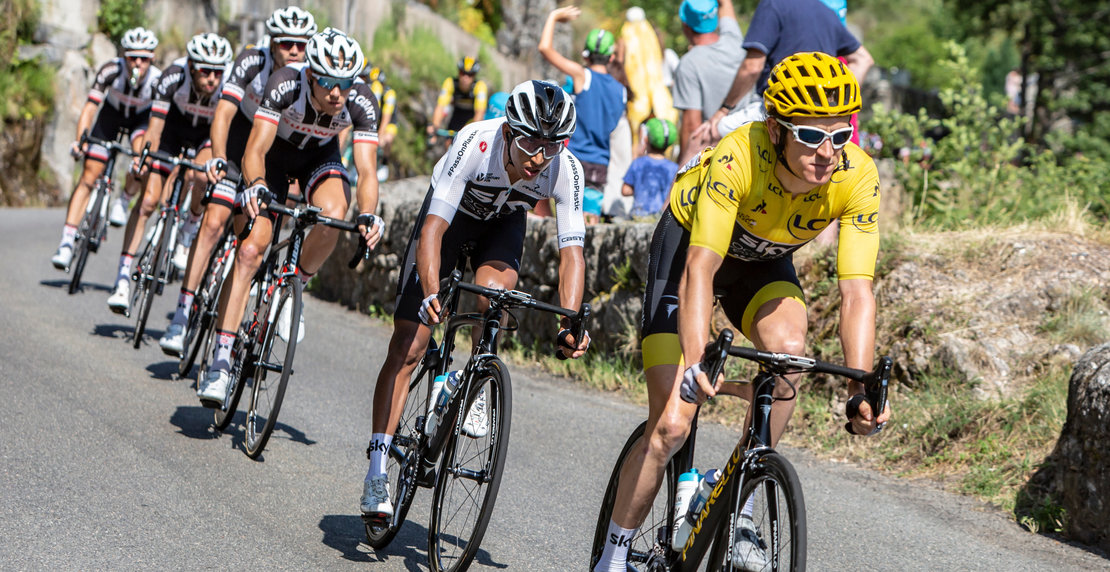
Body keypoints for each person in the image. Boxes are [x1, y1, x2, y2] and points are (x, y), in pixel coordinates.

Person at [593, 52, 891, 572]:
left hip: (762, 261)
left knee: (790, 357)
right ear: (775, 130)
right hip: (690, 250)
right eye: (811, 136)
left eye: (840, 136)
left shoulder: (856, 176)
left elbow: (857, 293)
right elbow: (700, 272)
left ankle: (740, 499)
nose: (828, 153)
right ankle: (613, 558)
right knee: (670, 425)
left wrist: (859, 386)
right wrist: (694, 359)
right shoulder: (739, 156)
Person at [359, 80, 591, 520]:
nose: (540, 158)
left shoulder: (567, 171)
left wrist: (570, 322)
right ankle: (376, 470)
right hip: (451, 221)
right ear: (508, 133)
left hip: (502, 226)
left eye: (552, 146)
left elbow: (572, 254)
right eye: (529, 144)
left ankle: (471, 379)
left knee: (496, 301)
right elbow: (432, 231)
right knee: (410, 345)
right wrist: (431, 293)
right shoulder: (475, 142)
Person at [195, 28, 384, 406]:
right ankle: (220, 360)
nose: (337, 93)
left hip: (319, 157)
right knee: (251, 250)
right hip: (274, 159)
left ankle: (291, 288)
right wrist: (257, 185)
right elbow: (255, 148)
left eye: (344, 84)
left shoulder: (361, 99)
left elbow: (365, 170)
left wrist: (369, 214)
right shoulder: (284, 83)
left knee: (334, 214)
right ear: (310, 75)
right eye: (328, 82)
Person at [158, 7, 318, 355]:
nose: (294, 51)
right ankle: (181, 315)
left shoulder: (311, 78)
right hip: (239, 138)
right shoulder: (250, 60)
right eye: (287, 43)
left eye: (302, 45)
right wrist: (217, 155)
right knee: (214, 222)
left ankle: (236, 312)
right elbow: (224, 113)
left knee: (250, 240)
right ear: (273, 43)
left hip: (273, 149)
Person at [107, 33, 233, 314]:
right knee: (148, 203)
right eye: (205, 71)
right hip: (172, 132)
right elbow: (154, 126)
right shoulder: (172, 76)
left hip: (205, 135)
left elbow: (224, 129)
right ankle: (122, 279)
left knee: (200, 175)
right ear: (191, 67)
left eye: (217, 72)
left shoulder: (227, 85)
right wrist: (145, 157)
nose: (212, 78)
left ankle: (190, 224)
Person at [51, 27, 162, 270]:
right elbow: (90, 107)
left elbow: (156, 123)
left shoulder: (157, 80)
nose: (138, 63)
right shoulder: (111, 70)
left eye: (144, 58)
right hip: (110, 117)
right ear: (124, 56)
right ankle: (67, 241)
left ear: (152, 58)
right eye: (133, 57)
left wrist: (143, 155)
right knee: (89, 175)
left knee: (141, 162)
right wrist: (82, 140)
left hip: (139, 121)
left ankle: (124, 198)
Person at [699, 0, 874, 142]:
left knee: (708, 134)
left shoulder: (773, 5)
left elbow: (752, 67)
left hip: (779, 109)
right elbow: (863, 60)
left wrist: (723, 110)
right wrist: (831, 102)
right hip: (821, 120)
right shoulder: (826, 12)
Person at [538, 6, 627, 224]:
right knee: (590, 221)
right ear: (612, 57)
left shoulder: (582, 76)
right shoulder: (621, 91)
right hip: (600, 164)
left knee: (557, 210)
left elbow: (545, 48)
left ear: (585, 54)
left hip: (574, 156)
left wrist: (554, 16)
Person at [671, 0, 749, 165]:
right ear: (715, 21)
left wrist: (682, 170)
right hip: (751, 145)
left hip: (718, 157)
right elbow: (726, 6)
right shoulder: (735, 41)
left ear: (685, 26)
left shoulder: (689, 64)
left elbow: (692, 125)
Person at [621, 118, 678, 217]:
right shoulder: (674, 168)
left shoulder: (638, 163)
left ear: (646, 139)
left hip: (638, 216)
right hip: (661, 218)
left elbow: (625, 190)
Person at [426, 57, 488, 146]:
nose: (465, 78)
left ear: (474, 76)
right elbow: (440, 106)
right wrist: (435, 127)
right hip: (457, 116)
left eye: (470, 75)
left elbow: (479, 113)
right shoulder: (450, 83)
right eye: (463, 73)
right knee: (448, 144)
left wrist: (471, 133)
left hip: (472, 119)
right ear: (458, 72)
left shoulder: (480, 87)